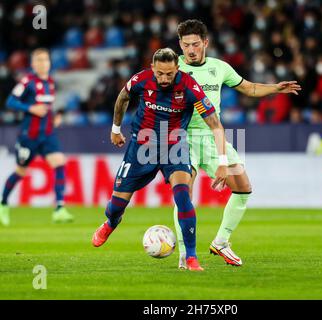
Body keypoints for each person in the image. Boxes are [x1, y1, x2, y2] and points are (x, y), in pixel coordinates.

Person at [174, 19, 302, 268]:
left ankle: (221, 241)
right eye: (186, 44)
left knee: (243, 187)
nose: (191, 49)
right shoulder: (171, 67)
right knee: (183, 193)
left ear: (206, 43)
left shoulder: (220, 68)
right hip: (181, 137)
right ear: (180, 44)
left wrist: (275, 88)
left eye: (195, 44)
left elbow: (250, 89)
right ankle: (185, 254)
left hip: (213, 136)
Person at [91, 48, 229, 272]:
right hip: (141, 147)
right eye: (160, 74)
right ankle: (110, 223)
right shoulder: (142, 79)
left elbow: (215, 123)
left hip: (174, 146)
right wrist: (115, 129)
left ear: (177, 69)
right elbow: (123, 97)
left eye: (169, 74)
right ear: (153, 68)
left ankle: (191, 257)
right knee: (116, 206)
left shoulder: (189, 87)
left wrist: (222, 162)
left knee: (183, 196)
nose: (164, 79)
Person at [0, 48, 73, 226]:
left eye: (45, 60)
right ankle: (3, 204)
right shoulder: (28, 82)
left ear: (49, 62)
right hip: (29, 136)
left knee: (59, 162)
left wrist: (54, 117)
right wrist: (30, 108)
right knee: (21, 171)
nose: (42, 63)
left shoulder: (50, 82)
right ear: (32, 64)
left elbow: (47, 107)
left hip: (47, 134)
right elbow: (10, 101)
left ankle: (59, 209)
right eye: (38, 60)